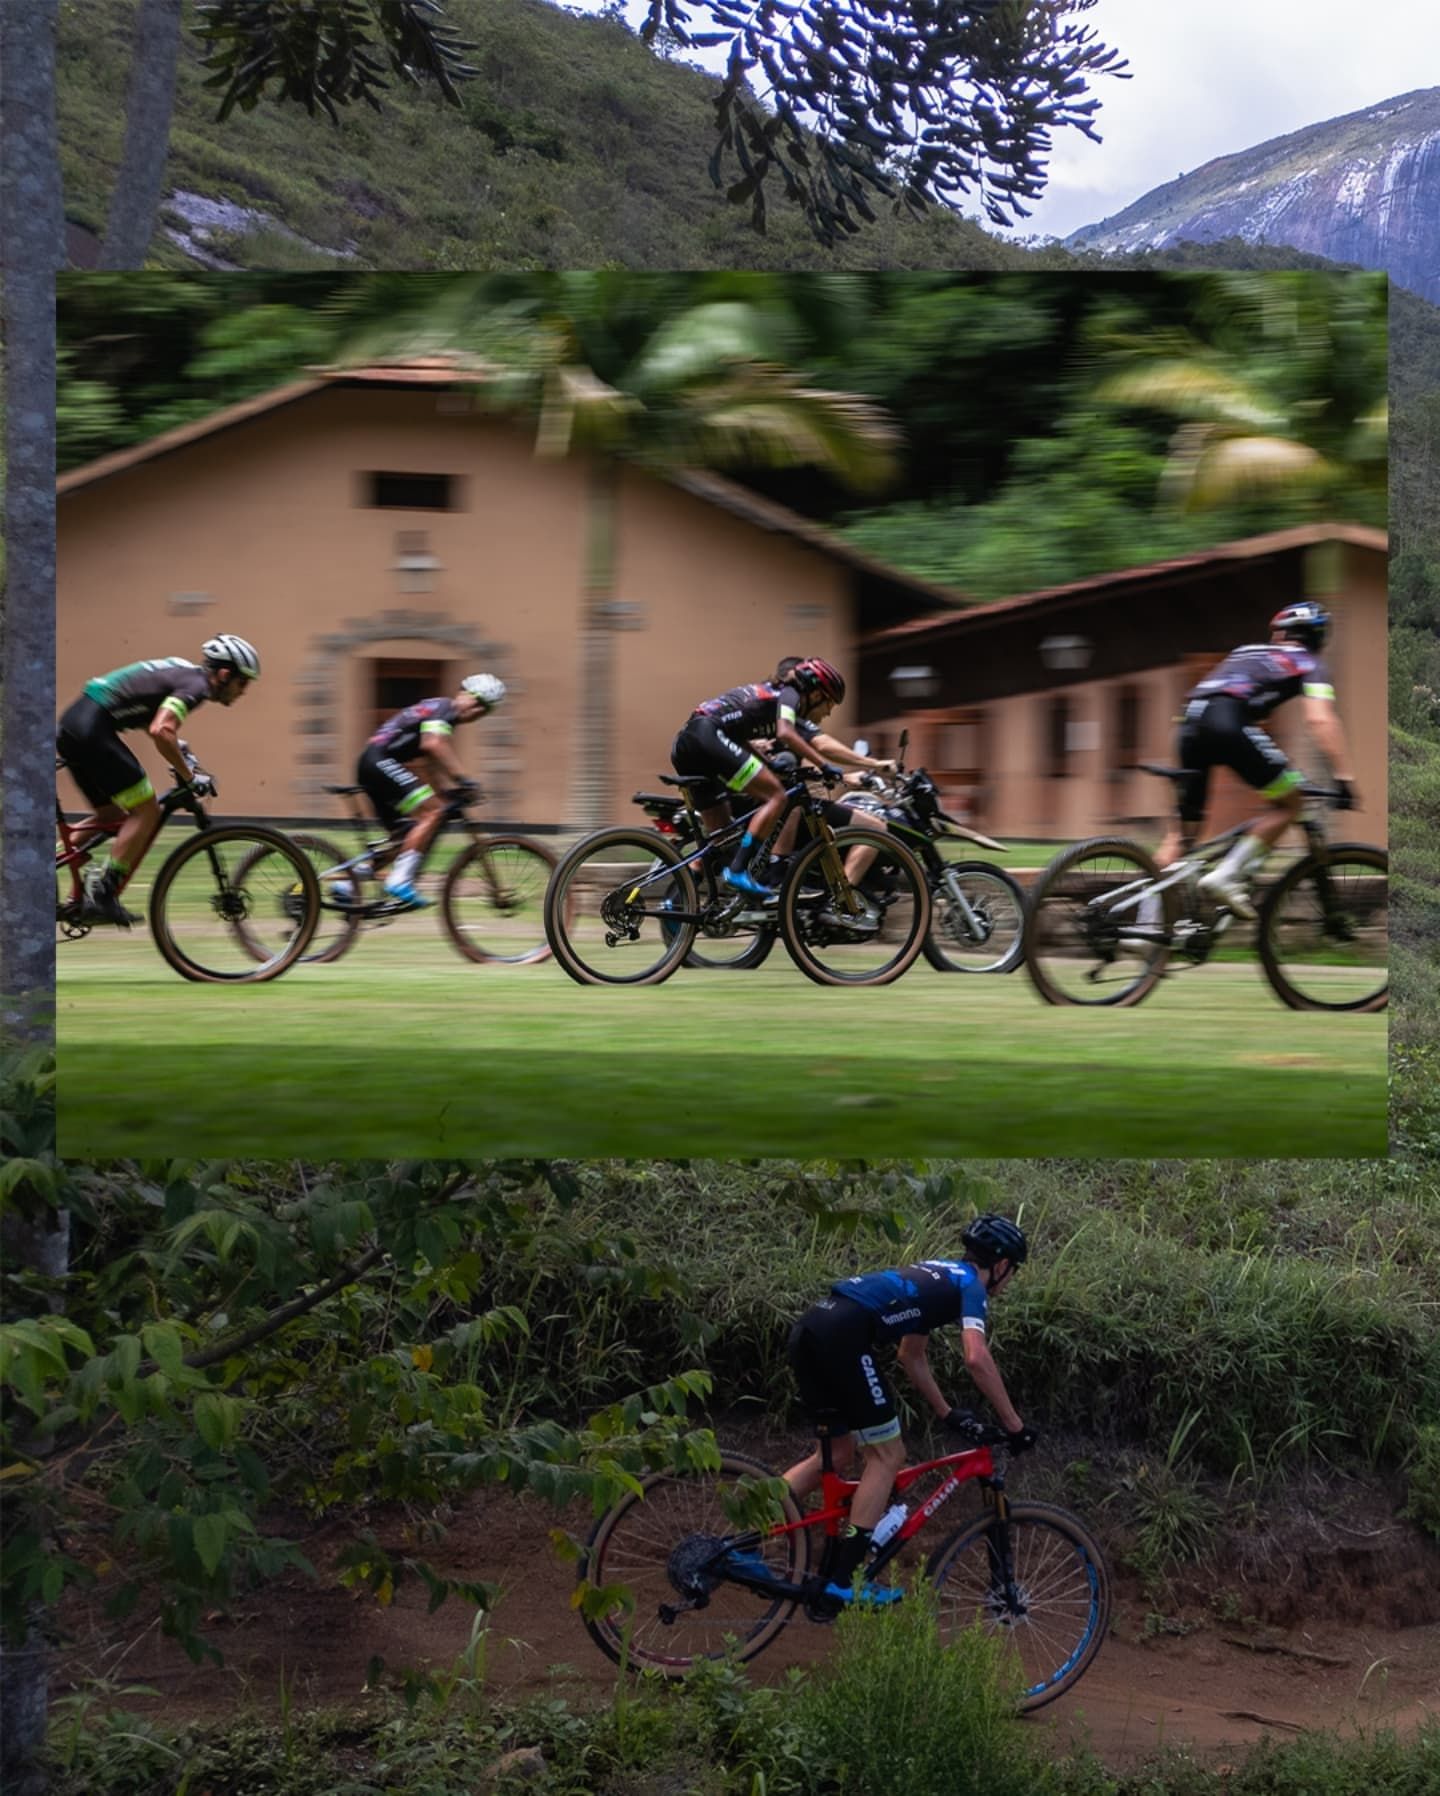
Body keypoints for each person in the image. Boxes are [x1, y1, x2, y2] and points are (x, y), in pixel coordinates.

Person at [781, 1214, 1035, 1610]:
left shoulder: (939, 1272)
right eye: (1013, 1271)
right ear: (1001, 1265)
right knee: (887, 1455)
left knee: (835, 1455)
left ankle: (739, 1537)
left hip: (813, 1327)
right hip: (844, 1337)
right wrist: (1015, 1426)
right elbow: (976, 1357)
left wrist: (946, 1412)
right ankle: (845, 1579)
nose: (1010, 1279)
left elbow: (910, 1354)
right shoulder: (972, 1285)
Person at [1149, 602, 1359, 923]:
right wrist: (1344, 778)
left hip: (1188, 723)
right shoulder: (1309, 662)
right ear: (1317, 638)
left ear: (1285, 632)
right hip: (1226, 721)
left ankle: (1143, 929)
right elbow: (1320, 720)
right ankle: (1226, 876)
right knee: (1290, 803)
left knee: (1180, 838)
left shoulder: (1246, 651)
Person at [55, 634, 260, 926]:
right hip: (92, 730)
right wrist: (190, 777)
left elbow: (145, 713)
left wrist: (184, 754)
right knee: (146, 811)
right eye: (243, 682)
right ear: (225, 675)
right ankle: (103, 894)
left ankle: (39, 867)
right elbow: (162, 729)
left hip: (75, 724)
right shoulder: (197, 686)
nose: (244, 691)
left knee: (110, 816)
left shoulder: (185, 674)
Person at [671, 656, 891, 899]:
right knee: (777, 796)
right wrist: (824, 766)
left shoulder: (770, 699)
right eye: (829, 704)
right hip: (706, 735)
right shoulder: (789, 694)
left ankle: (674, 904)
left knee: (721, 838)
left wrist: (769, 764)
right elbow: (786, 733)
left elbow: (737, 738)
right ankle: (738, 871)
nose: (828, 713)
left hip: (687, 744)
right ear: (816, 695)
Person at [358, 673, 506, 907]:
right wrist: (463, 779)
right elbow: (433, 745)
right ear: (463, 693)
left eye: (485, 709)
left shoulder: (439, 711)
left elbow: (429, 764)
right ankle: (399, 881)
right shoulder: (444, 708)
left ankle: (348, 883)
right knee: (432, 814)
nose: (477, 711)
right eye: (477, 701)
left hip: (373, 763)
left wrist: (445, 791)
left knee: (407, 836)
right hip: (380, 761)